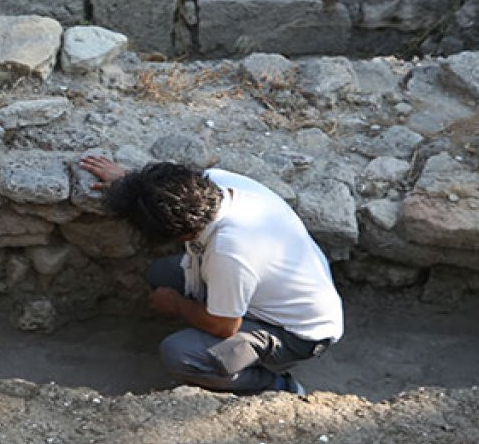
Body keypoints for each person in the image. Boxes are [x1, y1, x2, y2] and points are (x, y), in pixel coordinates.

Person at [80, 156, 343, 395]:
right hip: (273, 290)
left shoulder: (230, 252)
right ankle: (211, 329)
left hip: (297, 333)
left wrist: (177, 305)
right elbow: (167, 192)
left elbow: (224, 326)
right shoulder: (213, 184)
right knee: (162, 273)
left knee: (180, 354)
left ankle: (278, 388)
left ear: (182, 235)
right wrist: (132, 186)